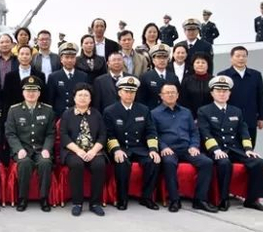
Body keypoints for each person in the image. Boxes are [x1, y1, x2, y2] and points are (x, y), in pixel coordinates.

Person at [198, 76, 263, 212]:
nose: (222, 94)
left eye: (225, 91)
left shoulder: (236, 111)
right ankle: (223, 199)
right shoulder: (204, 111)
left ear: (229, 93)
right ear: (212, 93)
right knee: (224, 163)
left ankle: (252, 200)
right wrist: (215, 150)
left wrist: (248, 149)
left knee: (259, 163)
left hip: (234, 149)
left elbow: (244, 131)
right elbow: (205, 133)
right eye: (218, 91)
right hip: (216, 149)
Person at [152, 83, 217, 213]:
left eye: (173, 92)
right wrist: (163, 147)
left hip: (187, 148)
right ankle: (174, 200)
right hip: (169, 149)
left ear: (178, 95)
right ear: (161, 96)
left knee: (207, 162)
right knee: (169, 163)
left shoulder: (186, 112)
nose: (170, 95)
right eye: (167, 92)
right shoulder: (154, 113)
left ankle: (200, 200)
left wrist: (194, 146)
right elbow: (153, 134)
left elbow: (194, 132)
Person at [103, 77, 161, 211]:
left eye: (132, 92)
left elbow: (151, 131)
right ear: (119, 93)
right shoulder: (110, 111)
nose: (129, 95)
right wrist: (116, 150)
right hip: (121, 147)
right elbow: (109, 134)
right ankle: (122, 199)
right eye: (126, 91)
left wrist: (153, 149)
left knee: (154, 161)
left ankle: (146, 197)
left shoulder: (143, 110)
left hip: (139, 147)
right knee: (122, 163)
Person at [6, 76, 55, 212]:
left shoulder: (48, 110)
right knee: (24, 163)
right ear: (23, 93)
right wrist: (18, 149)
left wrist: (46, 149)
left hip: (40, 149)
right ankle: (22, 198)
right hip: (23, 149)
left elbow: (50, 134)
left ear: (39, 93)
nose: (31, 94)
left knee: (45, 163)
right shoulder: (14, 110)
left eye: (34, 91)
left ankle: (44, 198)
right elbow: (10, 134)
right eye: (28, 91)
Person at [59, 83, 108, 217]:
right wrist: (79, 151)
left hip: (93, 150)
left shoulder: (96, 114)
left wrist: (93, 151)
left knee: (99, 164)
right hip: (73, 151)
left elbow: (103, 135)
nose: (83, 98)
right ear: (74, 98)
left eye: (86, 95)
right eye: (80, 95)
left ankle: (95, 203)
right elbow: (64, 135)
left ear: (90, 99)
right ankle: (77, 203)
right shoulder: (67, 114)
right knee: (76, 164)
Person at [218, 46, 263, 146]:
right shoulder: (223, 75)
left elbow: (260, 96)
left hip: (250, 118)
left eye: (244, 56)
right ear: (231, 58)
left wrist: (262, 117)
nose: (241, 58)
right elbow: (219, 98)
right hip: (229, 119)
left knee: (249, 148)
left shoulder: (256, 75)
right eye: (238, 56)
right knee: (230, 148)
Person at [47, 42, 89, 119]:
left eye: (72, 57)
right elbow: (50, 100)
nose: (69, 60)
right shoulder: (53, 77)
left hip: (78, 116)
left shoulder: (83, 76)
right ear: (61, 59)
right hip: (59, 116)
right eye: (66, 57)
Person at [2, 45, 44, 116]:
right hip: (15, 113)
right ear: (18, 56)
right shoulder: (9, 76)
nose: (24, 56)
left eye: (27, 54)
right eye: (22, 54)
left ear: (31, 57)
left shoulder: (39, 75)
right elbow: (6, 99)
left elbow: (42, 96)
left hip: (35, 112)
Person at [138, 44, 179, 110]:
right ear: (153, 60)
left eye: (164, 57)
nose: (162, 60)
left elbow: (178, 98)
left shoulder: (173, 77)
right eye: (159, 57)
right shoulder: (145, 77)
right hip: (151, 111)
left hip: (170, 111)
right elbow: (141, 99)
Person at [179, 52, 213, 118]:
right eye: (197, 62)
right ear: (193, 65)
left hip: (210, 116)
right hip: (191, 116)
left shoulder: (213, 81)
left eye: (203, 62)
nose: (200, 65)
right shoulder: (187, 81)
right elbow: (183, 101)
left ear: (208, 65)